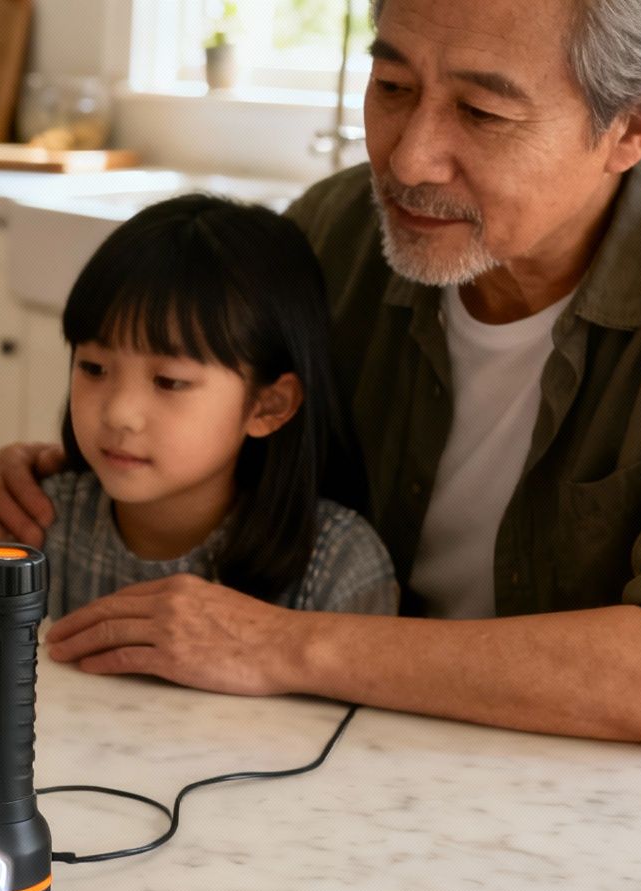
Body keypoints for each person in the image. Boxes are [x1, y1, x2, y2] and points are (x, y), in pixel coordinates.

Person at [0, 0, 641, 771]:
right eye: (393, 86)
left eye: (482, 112)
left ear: (638, 120)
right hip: (383, 767)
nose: (408, 158)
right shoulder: (335, 234)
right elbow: (229, 457)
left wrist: (283, 646)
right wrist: (77, 479)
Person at [30, 194, 396, 627]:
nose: (119, 414)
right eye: (93, 368)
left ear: (268, 406)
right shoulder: (38, 523)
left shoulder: (336, 567)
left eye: (169, 382)